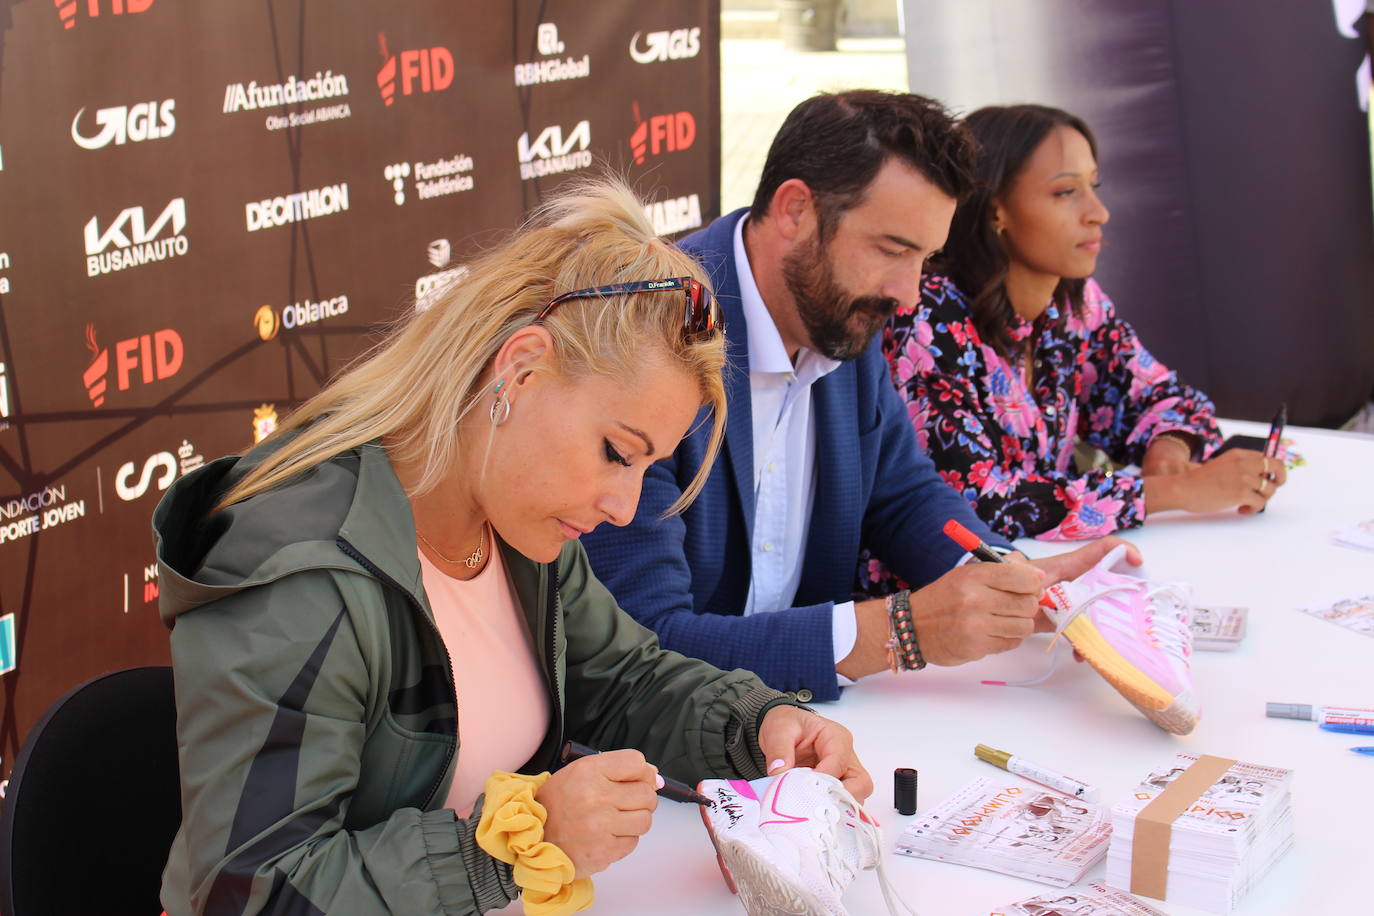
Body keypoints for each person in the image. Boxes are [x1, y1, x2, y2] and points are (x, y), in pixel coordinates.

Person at [153, 180, 869, 916]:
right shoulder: (300, 571)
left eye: (648, 469)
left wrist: (759, 727)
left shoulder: (517, 517)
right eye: (617, 453)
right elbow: (250, 891)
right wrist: (513, 845)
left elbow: (625, 679)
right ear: (520, 371)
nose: (624, 508)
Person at [581, 91, 1137, 704]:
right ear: (796, 210)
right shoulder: (650, 333)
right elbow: (640, 647)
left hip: (803, 741)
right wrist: (897, 633)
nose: (910, 294)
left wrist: (997, 572)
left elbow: (901, 493)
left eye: (925, 259)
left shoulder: (838, 311)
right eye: (893, 250)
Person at [872, 103, 1287, 545]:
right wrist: (1174, 491)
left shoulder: (1075, 303)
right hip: (942, 594)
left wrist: (1170, 448)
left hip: (1060, 574)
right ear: (996, 210)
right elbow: (973, 505)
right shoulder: (925, 316)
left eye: (1094, 185)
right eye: (1065, 192)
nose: (1098, 212)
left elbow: (1165, 397)